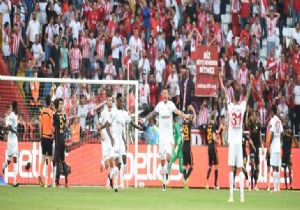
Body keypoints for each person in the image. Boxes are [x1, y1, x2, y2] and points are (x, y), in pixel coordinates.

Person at [139, 87, 189, 191]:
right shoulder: (159, 105)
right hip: (161, 136)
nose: (165, 95)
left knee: (168, 157)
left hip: (168, 136)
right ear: (162, 95)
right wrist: (144, 119)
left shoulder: (171, 104)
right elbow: (153, 113)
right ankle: (164, 176)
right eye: (164, 94)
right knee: (162, 160)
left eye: (166, 94)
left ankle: (166, 173)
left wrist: (183, 115)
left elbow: (176, 111)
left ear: (168, 95)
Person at [219, 72, 252, 202]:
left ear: (233, 97)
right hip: (239, 141)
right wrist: (250, 82)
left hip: (232, 141)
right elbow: (248, 95)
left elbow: (223, 92)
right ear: (240, 98)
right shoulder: (243, 106)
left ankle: (231, 196)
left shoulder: (230, 107)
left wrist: (221, 79)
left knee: (231, 168)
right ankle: (242, 197)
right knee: (240, 168)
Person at [106, 93, 142, 192]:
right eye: (121, 101)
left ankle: (115, 177)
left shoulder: (125, 113)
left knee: (124, 161)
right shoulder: (113, 112)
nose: (122, 103)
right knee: (117, 162)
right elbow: (107, 126)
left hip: (121, 141)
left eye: (123, 101)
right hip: (114, 140)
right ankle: (117, 185)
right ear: (117, 101)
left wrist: (139, 127)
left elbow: (131, 123)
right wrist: (110, 137)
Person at [97, 93, 116, 189]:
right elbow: (98, 125)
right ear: (106, 102)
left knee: (113, 162)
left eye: (111, 100)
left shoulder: (114, 112)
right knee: (107, 165)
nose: (110, 102)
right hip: (105, 141)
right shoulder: (104, 112)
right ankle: (102, 163)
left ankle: (109, 182)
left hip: (111, 140)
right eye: (108, 100)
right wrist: (101, 134)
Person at [2, 102, 20, 187]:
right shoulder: (11, 116)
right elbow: (9, 127)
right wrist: (16, 132)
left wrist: (16, 133)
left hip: (15, 140)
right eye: (17, 107)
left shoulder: (16, 116)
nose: (18, 108)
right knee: (9, 160)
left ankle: (15, 181)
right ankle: (3, 167)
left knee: (15, 158)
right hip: (10, 140)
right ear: (14, 108)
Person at [53, 98, 69, 188]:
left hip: (58, 141)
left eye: (61, 104)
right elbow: (66, 126)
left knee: (58, 161)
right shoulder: (64, 115)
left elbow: (54, 129)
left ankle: (57, 183)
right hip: (63, 139)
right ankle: (66, 182)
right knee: (63, 161)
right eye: (60, 104)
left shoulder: (55, 116)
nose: (61, 105)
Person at [38, 95, 54, 187]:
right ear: (50, 102)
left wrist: (40, 136)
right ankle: (48, 181)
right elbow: (51, 126)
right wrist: (53, 133)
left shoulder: (42, 111)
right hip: (49, 137)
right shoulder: (50, 112)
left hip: (43, 137)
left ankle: (40, 176)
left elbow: (41, 125)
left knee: (43, 158)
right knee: (50, 159)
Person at [268, 104, 283, 193]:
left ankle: (274, 188)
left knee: (274, 166)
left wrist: (269, 144)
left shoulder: (272, 120)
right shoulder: (279, 121)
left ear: (272, 112)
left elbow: (272, 134)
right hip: (278, 146)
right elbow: (281, 133)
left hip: (274, 146)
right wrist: (280, 142)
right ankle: (278, 188)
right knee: (277, 166)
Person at [247, 110, 263, 191]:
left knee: (257, 167)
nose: (254, 116)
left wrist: (262, 145)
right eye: (253, 115)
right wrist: (250, 142)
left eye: (255, 115)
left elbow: (260, 135)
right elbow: (249, 135)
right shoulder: (251, 125)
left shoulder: (259, 125)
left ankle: (256, 184)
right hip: (252, 147)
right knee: (252, 164)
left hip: (257, 146)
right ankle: (251, 184)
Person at [281, 118, 298, 190]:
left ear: (288, 121)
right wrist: (286, 133)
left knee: (290, 168)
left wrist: (291, 136)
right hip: (284, 152)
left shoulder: (291, 131)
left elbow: (296, 142)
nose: (286, 121)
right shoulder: (283, 129)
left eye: (287, 120)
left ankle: (290, 185)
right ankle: (286, 186)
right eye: (285, 120)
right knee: (284, 170)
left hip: (289, 152)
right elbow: (282, 136)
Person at [167, 114, 184, 185]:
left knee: (181, 169)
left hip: (180, 149)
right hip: (175, 149)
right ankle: (167, 180)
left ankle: (186, 179)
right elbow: (173, 139)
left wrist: (177, 147)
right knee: (169, 162)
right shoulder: (172, 127)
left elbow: (179, 137)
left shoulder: (176, 125)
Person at [205, 113, 220, 190]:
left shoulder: (208, 127)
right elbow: (214, 137)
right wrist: (217, 140)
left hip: (209, 147)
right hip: (213, 148)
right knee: (216, 166)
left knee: (210, 166)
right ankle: (215, 184)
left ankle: (206, 182)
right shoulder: (213, 127)